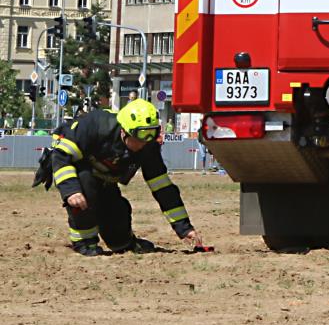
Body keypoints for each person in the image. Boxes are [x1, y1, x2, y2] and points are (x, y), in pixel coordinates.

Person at [35, 99, 205, 256]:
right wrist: (70, 190)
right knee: (85, 189)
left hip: (105, 181)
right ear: (124, 131)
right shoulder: (95, 126)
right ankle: (84, 242)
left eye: (151, 134)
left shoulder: (148, 147)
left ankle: (125, 241)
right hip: (78, 172)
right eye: (140, 136)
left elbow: (163, 188)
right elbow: (61, 156)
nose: (144, 142)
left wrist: (184, 229)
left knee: (118, 222)